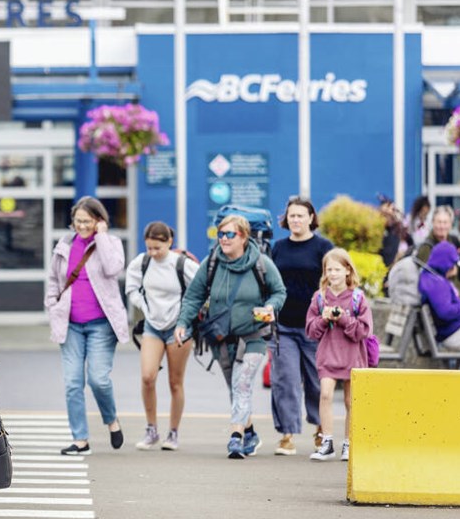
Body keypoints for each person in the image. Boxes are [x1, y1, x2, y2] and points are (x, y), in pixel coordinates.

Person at [175, 214, 286, 460]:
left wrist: (270, 307)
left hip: (253, 335)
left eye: (229, 234)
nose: (223, 239)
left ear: (244, 237)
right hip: (221, 336)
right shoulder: (212, 262)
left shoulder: (262, 262)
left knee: (242, 384)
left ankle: (235, 437)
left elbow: (279, 291)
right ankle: (250, 433)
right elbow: (194, 296)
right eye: (220, 234)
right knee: (235, 390)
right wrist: (183, 322)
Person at [46, 196, 129, 456]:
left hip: (101, 325)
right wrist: (52, 306)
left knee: (98, 380)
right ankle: (80, 439)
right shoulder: (64, 246)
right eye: (78, 221)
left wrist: (101, 237)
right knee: (72, 382)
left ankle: (111, 420)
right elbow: (52, 280)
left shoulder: (111, 243)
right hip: (70, 324)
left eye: (87, 221)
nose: (81, 226)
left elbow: (113, 268)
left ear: (99, 221)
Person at [125, 221, 198, 451]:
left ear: (169, 242)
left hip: (178, 328)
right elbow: (131, 288)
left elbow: (199, 290)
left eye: (158, 248)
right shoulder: (141, 262)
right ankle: (151, 429)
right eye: (149, 248)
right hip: (152, 327)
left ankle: (173, 433)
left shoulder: (181, 264)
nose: (153, 253)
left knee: (175, 382)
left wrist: (185, 316)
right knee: (148, 377)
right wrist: (144, 306)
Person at [269, 197, 333, 456]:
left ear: (310, 218)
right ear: (286, 219)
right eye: (291, 216)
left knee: (317, 382)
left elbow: (333, 280)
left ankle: (321, 427)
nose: (295, 220)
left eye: (300, 215)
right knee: (286, 380)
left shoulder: (323, 247)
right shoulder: (278, 248)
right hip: (283, 325)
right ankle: (287, 434)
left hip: (315, 327)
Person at [305, 248, 371, 462]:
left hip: (353, 357)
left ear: (347, 271)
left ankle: (349, 443)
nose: (332, 274)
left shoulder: (358, 298)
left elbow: (363, 331)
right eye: (328, 269)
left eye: (337, 269)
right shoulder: (320, 298)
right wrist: (324, 319)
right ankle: (327, 441)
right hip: (328, 356)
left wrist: (343, 319)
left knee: (351, 401)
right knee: (324, 395)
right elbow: (311, 330)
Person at [417, 240, 460, 352]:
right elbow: (446, 312)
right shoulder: (435, 282)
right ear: (445, 262)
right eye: (452, 263)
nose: (454, 267)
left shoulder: (431, 278)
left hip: (453, 330)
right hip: (452, 334)